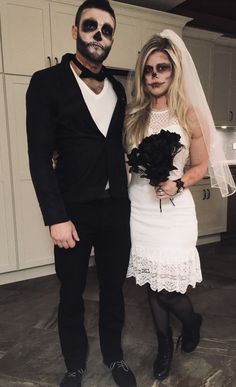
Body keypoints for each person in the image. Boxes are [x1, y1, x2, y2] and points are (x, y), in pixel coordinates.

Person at [26, 1, 137, 387]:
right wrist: (55, 216)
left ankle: (115, 357)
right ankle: (74, 364)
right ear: (76, 31)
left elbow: (117, 147)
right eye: (91, 26)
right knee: (71, 291)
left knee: (113, 289)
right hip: (71, 212)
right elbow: (38, 156)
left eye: (107, 30)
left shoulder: (118, 90)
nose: (99, 35)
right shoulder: (46, 82)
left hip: (115, 210)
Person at [124, 30, 236, 381]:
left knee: (169, 290)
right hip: (140, 210)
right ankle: (164, 345)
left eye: (163, 68)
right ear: (143, 76)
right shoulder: (134, 114)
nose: (155, 75)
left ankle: (191, 321)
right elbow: (124, 161)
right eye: (149, 70)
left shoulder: (188, 113)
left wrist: (177, 183)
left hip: (175, 213)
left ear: (174, 72)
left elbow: (200, 165)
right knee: (151, 287)